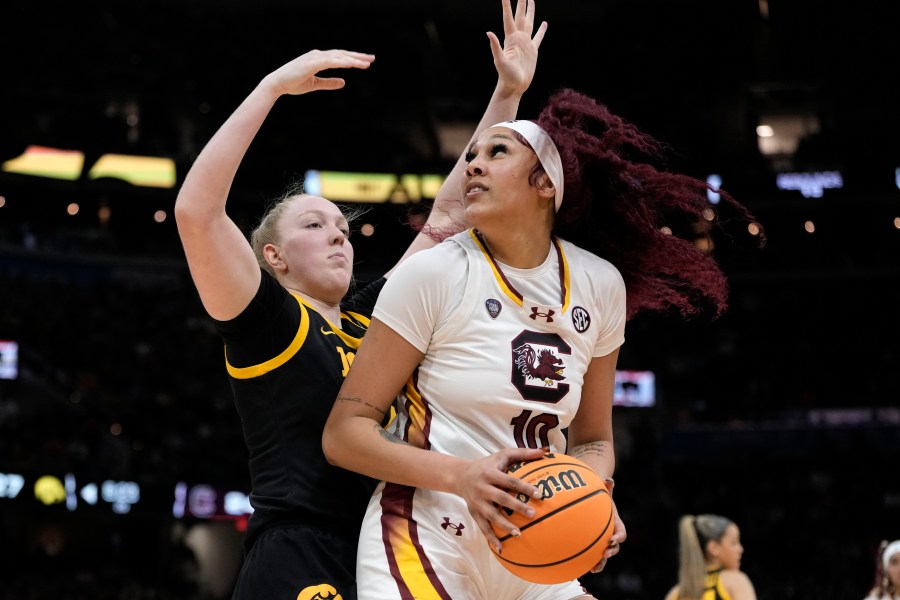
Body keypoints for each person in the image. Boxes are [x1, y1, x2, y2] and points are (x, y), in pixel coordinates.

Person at [322, 21, 764, 600]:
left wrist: (593, 495)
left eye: (495, 152)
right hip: (428, 531)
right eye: (471, 155)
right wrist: (461, 476)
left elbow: (594, 441)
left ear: (545, 183)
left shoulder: (598, 284)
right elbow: (344, 434)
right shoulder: (431, 273)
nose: (473, 164)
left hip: (537, 541)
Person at [172, 0, 546, 595]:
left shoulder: (368, 323)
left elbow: (450, 215)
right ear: (273, 257)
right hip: (300, 548)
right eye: (315, 226)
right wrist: (270, 89)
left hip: (382, 548)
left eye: (343, 228)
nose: (339, 235)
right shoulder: (267, 318)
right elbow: (194, 212)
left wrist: (507, 96)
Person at [663, 514, 757, 600]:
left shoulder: (676, 593)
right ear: (714, 548)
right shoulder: (735, 581)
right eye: (734, 543)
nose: (740, 549)